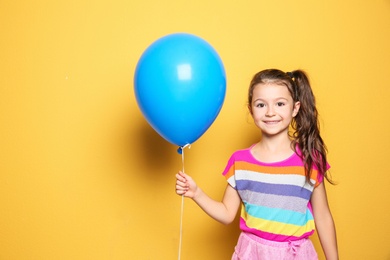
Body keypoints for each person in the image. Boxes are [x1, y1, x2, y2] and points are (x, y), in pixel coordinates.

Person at [175, 69, 338, 259]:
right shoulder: (240, 161)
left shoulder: (310, 159)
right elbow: (227, 213)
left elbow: (323, 217)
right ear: (251, 109)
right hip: (252, 254)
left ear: (295, 108)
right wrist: (196, 193)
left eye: (279, 104)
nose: (270, 112)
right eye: (261, 105)